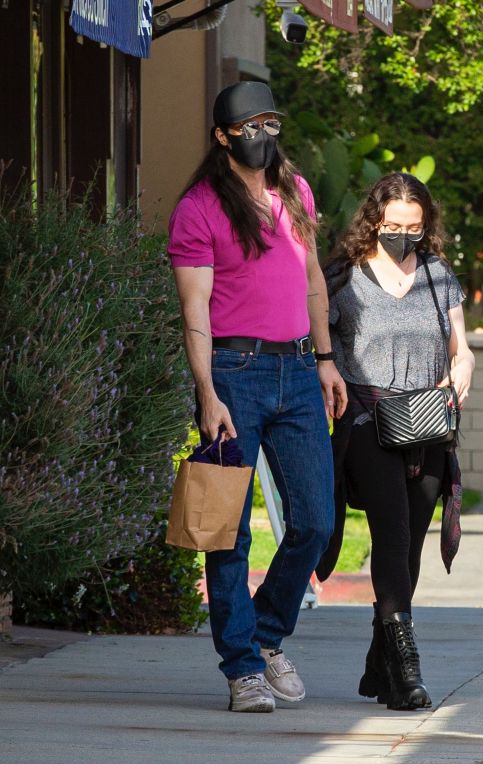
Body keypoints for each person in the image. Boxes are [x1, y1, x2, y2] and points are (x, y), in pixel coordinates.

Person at [168, 81, 347, 713]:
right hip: (233, 374)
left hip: (299, 371)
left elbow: (313, 282)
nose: (263, 134)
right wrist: (208, 393)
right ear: (223, 136)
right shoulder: (199, 208)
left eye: (271, 121)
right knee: (228, 528)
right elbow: (195, 310)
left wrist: (326, 360)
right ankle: (242, 667)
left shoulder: (296, 192)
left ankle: (267, 636)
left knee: (317, 521)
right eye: (250, 125)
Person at [319, 172, 474, 711]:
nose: (402, 236)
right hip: (366, 417)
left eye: (413, 227)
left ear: (426, 225)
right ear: (373, 221)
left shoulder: (438, 276)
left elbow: (461, 345)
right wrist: (328, 375)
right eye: (391, 226)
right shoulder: (343, 277)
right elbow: (320, 340)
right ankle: (407, 668)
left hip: (427, 420)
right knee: (392, 531)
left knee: (410, 546)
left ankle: (379, 662)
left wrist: (464, 366)